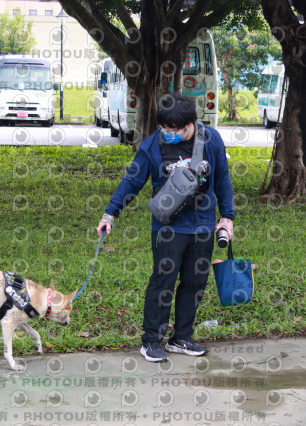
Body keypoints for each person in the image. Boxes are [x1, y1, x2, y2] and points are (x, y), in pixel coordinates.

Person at [96, 93, 235, 362]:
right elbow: (132, 181)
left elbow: (222, 178)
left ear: (190, 124)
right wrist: (110, 213)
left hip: (203, 225)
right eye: (164, 128)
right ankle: (151, 340)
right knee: (163, 283)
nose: (168, 133)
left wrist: (227, 217)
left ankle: (181, 337)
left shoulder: (211, 139)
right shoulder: (152, 145)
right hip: (167, 227)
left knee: (194, 283)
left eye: (174, 130)